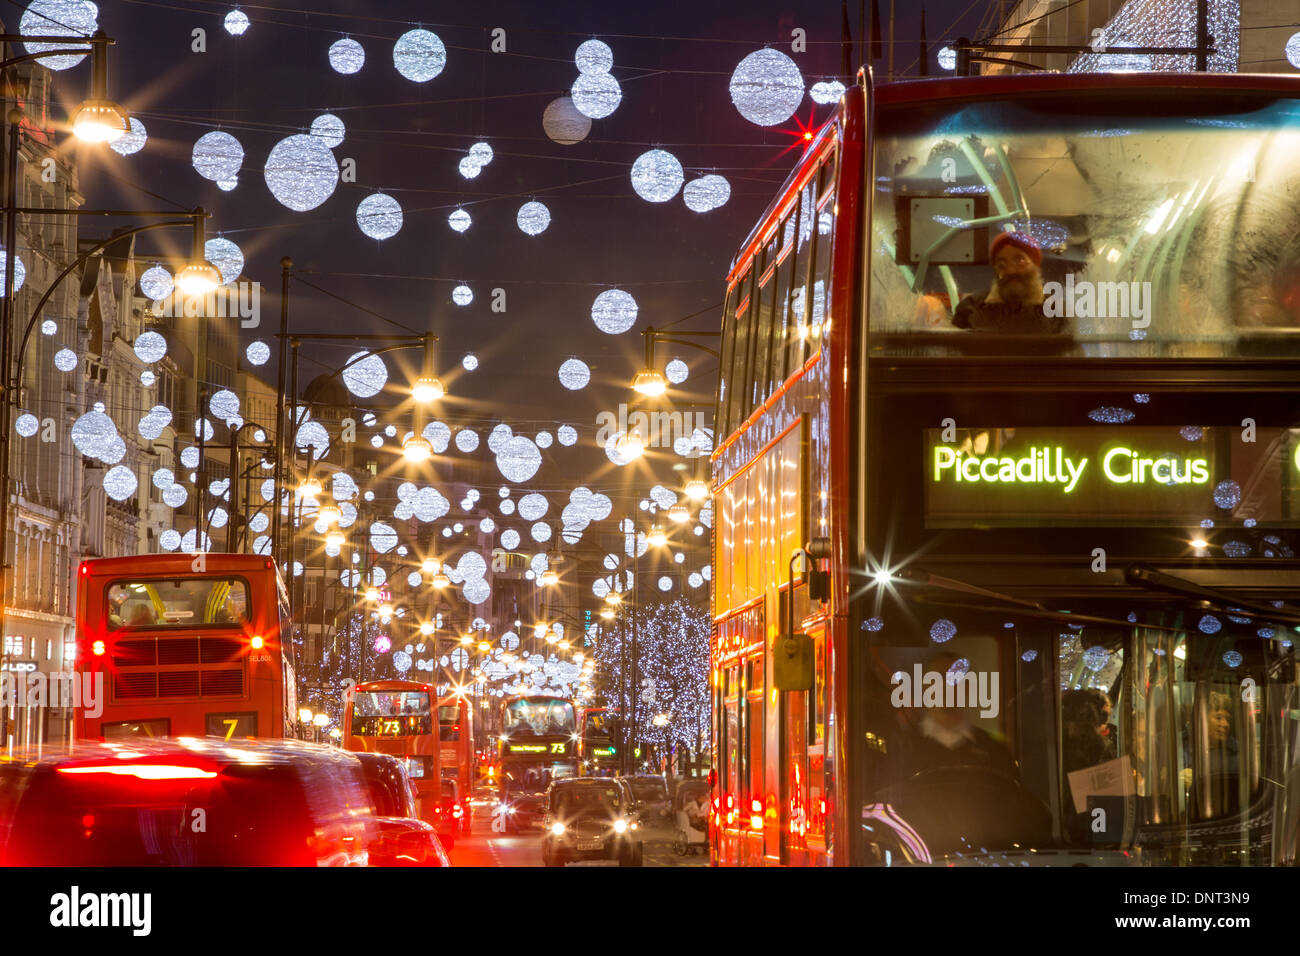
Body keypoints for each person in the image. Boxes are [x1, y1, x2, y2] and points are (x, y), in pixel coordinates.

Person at [902, 651, 1018, 779]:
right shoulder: (902, 746)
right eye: (938, 678)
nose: (947, 685)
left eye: (955, 678)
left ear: (968, 686)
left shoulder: (995, 751)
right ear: (924, 686)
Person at [953, 231, 1066, 335]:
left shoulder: (1058, 310)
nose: (1011, 270)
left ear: (1035, 264)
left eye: (1019, 260)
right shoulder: (971, 307)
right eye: (1002, 264)